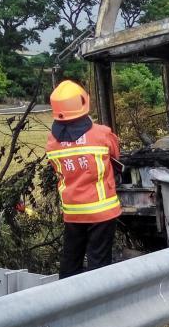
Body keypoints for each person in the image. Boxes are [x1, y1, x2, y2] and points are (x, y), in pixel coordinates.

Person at [45, 80, 122, 278]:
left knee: (71, 260)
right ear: (83, 103)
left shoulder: (52, 141)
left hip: (72, 211)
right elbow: (116, 156)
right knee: (98, 262)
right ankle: (98, 303)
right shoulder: (102, 133)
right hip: (102, 211)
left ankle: (67, 300)